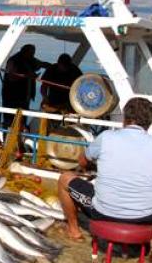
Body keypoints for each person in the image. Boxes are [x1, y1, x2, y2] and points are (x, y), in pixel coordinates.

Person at [58, 97, 152, 241]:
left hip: (103, 213)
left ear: (125, 119)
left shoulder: (106, 137)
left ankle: (74, 230)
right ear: (149, 122)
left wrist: (96, 165)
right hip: (145, 218)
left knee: (65, 179)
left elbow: (82, 161)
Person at [2, 44, 50, 129]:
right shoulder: (13, 60)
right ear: (24, 51)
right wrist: (27, 76)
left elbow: (41, 64)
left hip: (25, 97)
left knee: (22, 119)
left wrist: (52, 66)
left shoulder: (30, 59)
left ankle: (20, 135)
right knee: (10, 119)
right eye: (31, 53)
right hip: (12, 96)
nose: (32, 55)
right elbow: (11, 77)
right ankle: (8, 137)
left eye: (33, 53)